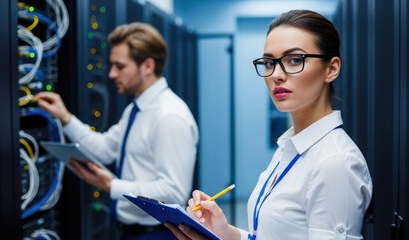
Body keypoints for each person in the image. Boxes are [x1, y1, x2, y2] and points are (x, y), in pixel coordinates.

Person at [165, 10, 372, 240]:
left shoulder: (335, 162)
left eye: (295, 60)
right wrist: (225, 233)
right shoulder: (290, 146)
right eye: (269, 62)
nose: (276, 74)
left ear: (331, 69)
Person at [36, 22, 198, 240]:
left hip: (156, 234)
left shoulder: (169, 116)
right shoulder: (136, 109)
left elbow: (174, 193)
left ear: (147, 66)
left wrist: (111, 185)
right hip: (130, 231)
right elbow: (105, 149)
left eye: (120, 66)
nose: (112, 74)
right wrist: (65, 117)